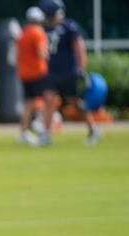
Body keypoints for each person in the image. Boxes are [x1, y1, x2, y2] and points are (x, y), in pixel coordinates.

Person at [40, 0, 99, 146]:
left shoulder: (68, 27)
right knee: (48, 100)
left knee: (75, 103)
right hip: (52, 72)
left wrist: (81, 67)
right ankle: (46, 134)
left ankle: (93, 128)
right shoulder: (46, 29)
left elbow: (79, 46)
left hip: (68, 72)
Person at [16, 7, 49, 146]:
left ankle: (26, 129)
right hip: (37, 72)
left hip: (24, 73)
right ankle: (38, 126)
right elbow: (42, 53)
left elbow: (17, 55)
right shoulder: (38, 33)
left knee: (30, 102)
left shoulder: (22, 34)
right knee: (41, 100)